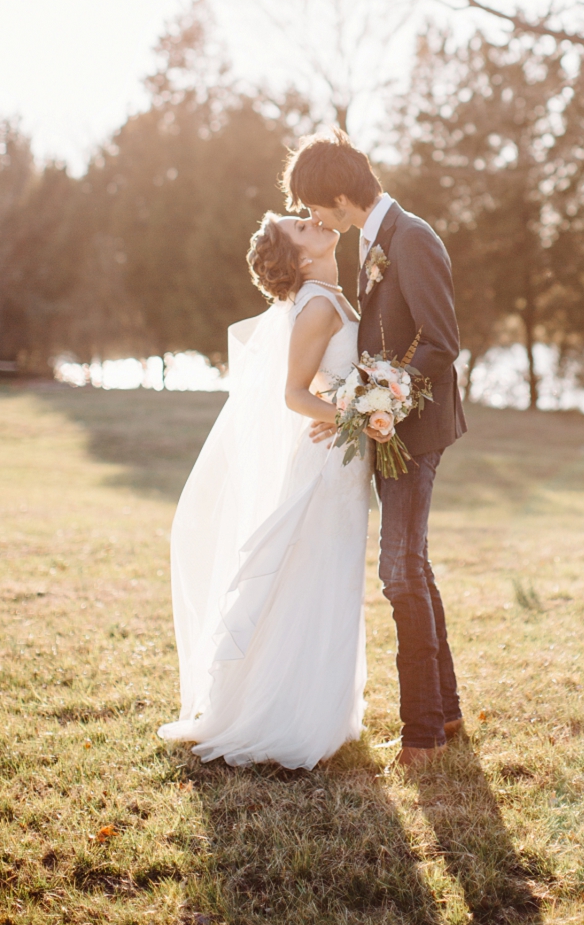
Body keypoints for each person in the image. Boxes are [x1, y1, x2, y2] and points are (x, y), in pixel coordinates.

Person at [158, 209, 370, 768]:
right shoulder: (318, 305)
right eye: (301, 226)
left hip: (343, 455)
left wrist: (363, 407)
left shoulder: (330, 296)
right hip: (330, 456)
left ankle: (322, 706)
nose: (313, 220)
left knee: (332, 572)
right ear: (300, 257)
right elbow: (294, 395)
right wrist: (358, 416)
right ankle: (287, 715)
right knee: (316, 573)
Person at [283, 130, 466, 766]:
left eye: (312, 208)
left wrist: (384, 400)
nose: (312, 219)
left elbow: (442, 345)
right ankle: (444, 716)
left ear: (339, 198)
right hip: (391, 425)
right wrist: (364, 400)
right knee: (412, 564)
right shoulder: (371, 240)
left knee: (398, 571)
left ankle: (421, 736)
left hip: (415, 430)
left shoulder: (411, 238)